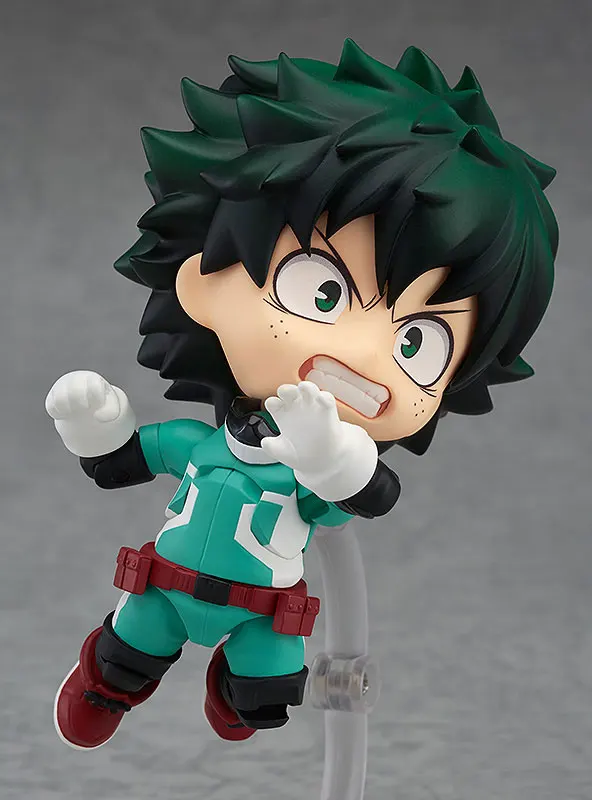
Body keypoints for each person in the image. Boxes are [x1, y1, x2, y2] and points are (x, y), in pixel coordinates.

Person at [45, 39, 558, 750]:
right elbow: (119, 463)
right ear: (204, 282)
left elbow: (371, 493)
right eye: (323, 291)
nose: (367, 355)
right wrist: (93, 427)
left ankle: (233, 693)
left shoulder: (312, 478)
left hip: (262, 615)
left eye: (418, 343)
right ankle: (107, 687)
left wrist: (332, 458)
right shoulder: (197, 445)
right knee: (126, 652)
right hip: (162, 592)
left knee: (264, 698)